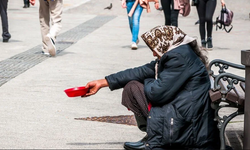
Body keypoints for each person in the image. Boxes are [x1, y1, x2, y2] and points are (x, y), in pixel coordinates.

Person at [83, 25, 220, 150]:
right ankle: (152, 135)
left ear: (163, 42)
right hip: (184, 107)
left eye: (154, 49)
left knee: (134, 88)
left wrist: (149, 80)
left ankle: (156, 138)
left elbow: (156, 93)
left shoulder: (178, 57)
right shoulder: (177, 52)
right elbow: (140, 71)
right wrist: (103, 82)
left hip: (187, 118)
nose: (154, 54)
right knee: (132, 86)